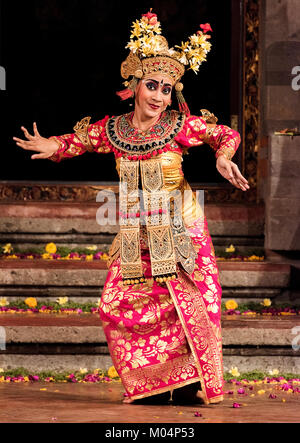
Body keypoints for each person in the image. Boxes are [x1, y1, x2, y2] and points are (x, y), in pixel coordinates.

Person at [13, 11, 249, 405]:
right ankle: (155, 380)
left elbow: (224, 132)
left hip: (181, 230)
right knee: (114, 305)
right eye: (152, 86)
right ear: (135, 86)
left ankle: (189, 381)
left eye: (167, 90)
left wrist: (224, 156)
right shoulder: (115, 130)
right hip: (135, 234)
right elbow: (79, 140)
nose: (159, 96)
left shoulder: (179, 126)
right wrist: (53, 146)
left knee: (195, 304)